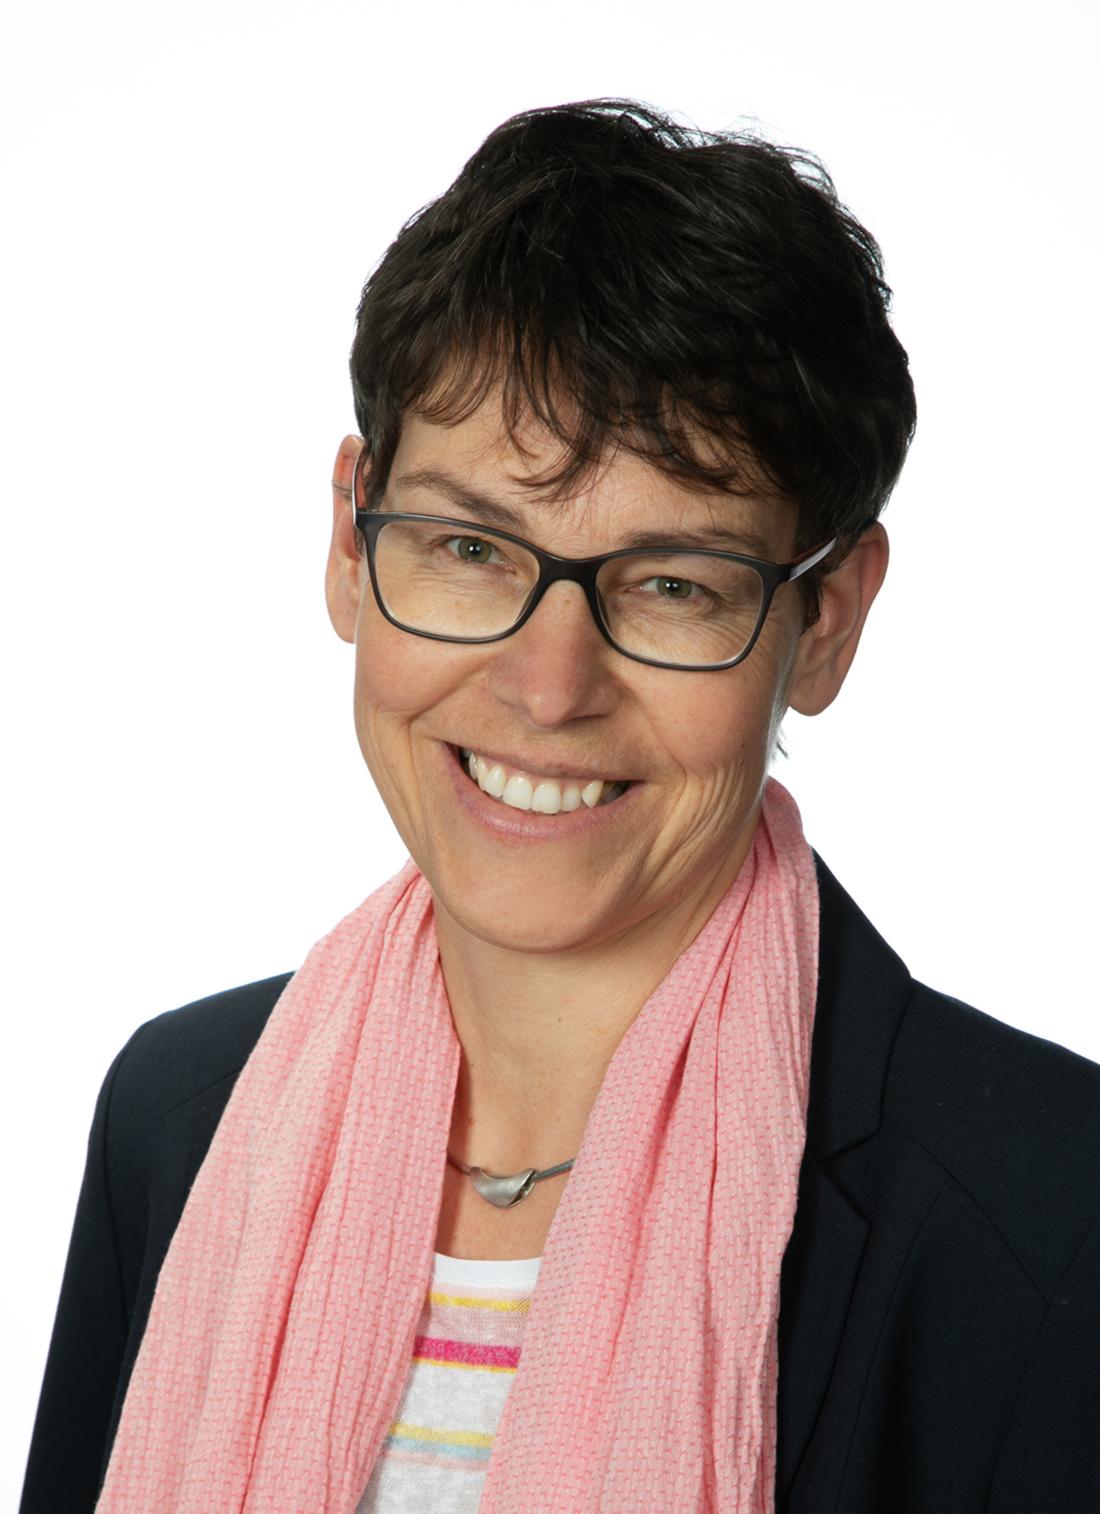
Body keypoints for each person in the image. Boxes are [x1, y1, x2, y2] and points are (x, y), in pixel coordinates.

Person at [20, 100, 1100, 1514]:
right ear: (350, 539)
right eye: (472, 547)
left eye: (673, 583)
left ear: (828, 620)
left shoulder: (1052, 1216)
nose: (547, 687)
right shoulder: (176, 1115)